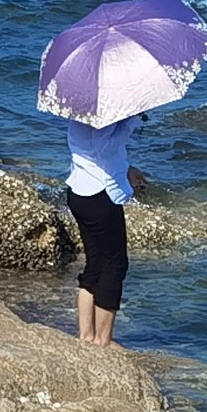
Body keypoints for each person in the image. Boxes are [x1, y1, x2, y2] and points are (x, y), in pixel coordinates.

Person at [65, 110, 139, 344]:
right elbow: (107, 148)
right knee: (115, 265)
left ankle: (86, 335)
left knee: (95, 263)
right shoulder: (104, 118)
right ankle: (102, 340)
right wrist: (132, 119)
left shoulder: (76, 115)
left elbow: (100, 151)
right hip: (100, 195)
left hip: (78, 191)